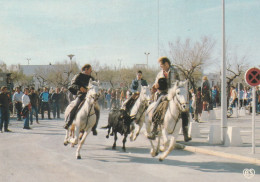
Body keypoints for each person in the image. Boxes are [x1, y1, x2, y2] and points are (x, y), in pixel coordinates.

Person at [147, 57, 191, 142]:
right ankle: (154, 129)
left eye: (161, 65)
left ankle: (185, 133)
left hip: (174, 94)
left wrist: (178, 87)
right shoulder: (160, 73)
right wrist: (155, 86)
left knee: (184, 110)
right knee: (157, 106)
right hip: (163, 93)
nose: (161, 67)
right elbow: (155, 83)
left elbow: (182, 82)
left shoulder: (175, 70)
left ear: (166, 64)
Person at [64, 64, 100, 136]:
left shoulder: (92, 78)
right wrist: (80, 88)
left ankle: (94, 127)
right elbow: (72, 85)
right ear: (86, 69)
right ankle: (69, 122)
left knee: (97, 109)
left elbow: (95, 86)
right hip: (81, 95)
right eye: (90, 69)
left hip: (90, 97)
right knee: (76, 105)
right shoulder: (78, 76)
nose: (91, 71)